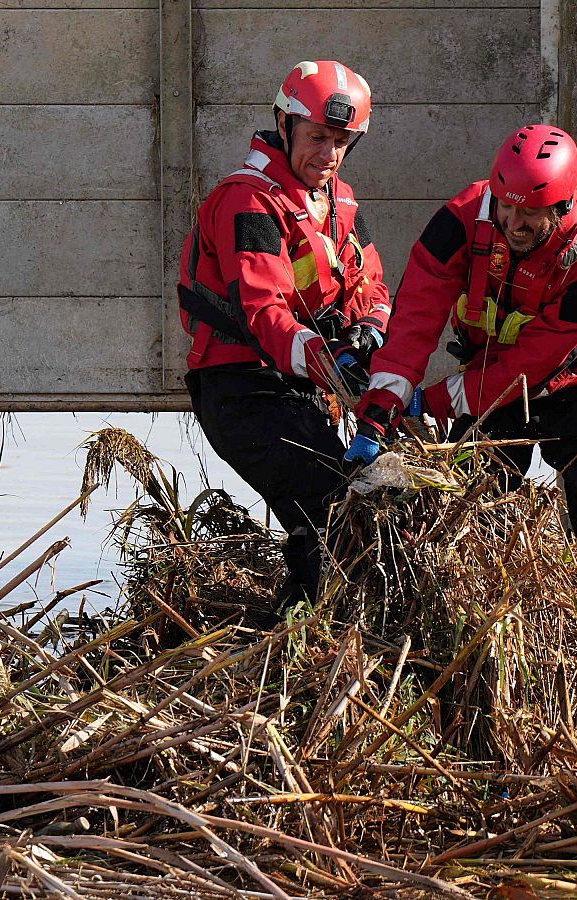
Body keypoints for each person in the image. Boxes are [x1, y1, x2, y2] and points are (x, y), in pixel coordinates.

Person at [345, 124, 577, 552]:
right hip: (489, 366)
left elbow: (532, 364)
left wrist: (436, 401)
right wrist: (387, 396)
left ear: (563, 205)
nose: (513, 224)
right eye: (506, 207)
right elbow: (417, 311)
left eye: (530, 213)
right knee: (468, 508)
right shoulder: (463, 218)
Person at [179, 60, 391, 605]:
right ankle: (315, 629)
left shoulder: (339, 202)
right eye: (317, 137)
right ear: (284, 124)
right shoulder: (247, 200)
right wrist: (329, 361)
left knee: (318, 516)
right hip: (241, 389)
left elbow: (369, 283)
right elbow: (263, 311)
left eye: (342, 141)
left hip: (299, 386)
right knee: (330, 498)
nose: (329, 154)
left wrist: (367, 331)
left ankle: (304, 627)